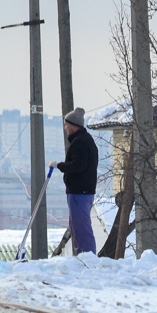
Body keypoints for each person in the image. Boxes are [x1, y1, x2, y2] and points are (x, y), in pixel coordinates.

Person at [55, 107, 99, 255]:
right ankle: (82, 256)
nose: (65, 128)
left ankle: (87, 257)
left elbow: (78, 165)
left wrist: (60, 166)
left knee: (81, 228)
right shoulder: (87, 140)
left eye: (66, 125)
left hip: (79, 192)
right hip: (84, 191)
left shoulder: (79, 142)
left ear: (73, 126)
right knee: (77, 227)